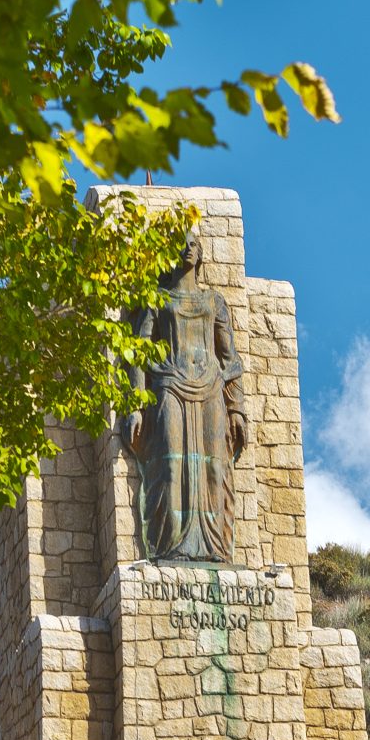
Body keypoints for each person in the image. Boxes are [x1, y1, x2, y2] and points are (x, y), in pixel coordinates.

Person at [124, 231, 247, 564]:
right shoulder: (157, 300)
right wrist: (135, 404)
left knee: (215, 469)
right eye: (181, 244)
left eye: (193, 244)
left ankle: (216, 548)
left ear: (201, 254)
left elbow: (229, 358)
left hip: (210, 390)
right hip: (169, 388)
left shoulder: (214, 302)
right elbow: (138, 353)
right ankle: (169, 546)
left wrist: (236, 408)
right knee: (169, 466)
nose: (187, 249)